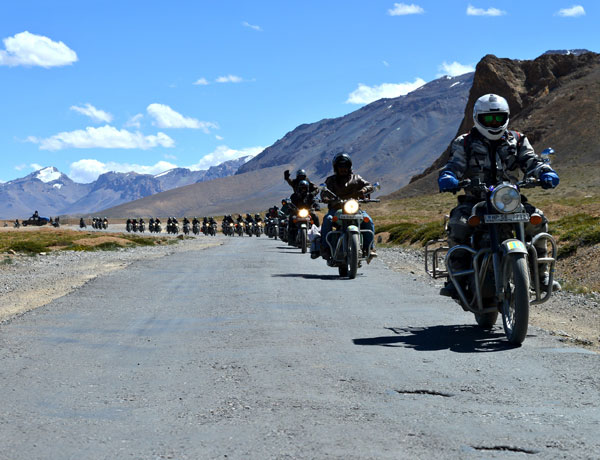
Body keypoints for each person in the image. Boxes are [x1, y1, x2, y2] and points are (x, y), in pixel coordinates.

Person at [438, 93, 561, 296]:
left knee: (537, 220)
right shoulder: (465, 142)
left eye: (499, 118)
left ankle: (542, 275)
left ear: (506, 117)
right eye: (489, 119)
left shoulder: (518, 140)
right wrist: (449, 176)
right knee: (458, 223)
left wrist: (544, 171)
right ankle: (456, 277)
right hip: (476, 199)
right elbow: (455, 164)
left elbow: (531, 160)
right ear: (478, 118)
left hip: (510, 199)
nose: (494, 123)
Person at [319, 153, 375, 260]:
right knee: (328, 219)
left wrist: (364, 190)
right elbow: (324, 191)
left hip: (354, 209)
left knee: (368, 220)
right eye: (340, 166)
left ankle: (370, 248)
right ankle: (325, 248)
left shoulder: (357, 178)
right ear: (336, 167)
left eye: (345, 166)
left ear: (349, 167)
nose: (343, 169)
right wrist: (325, 197)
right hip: (336, 209)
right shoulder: (331, 180)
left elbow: (369, 186)